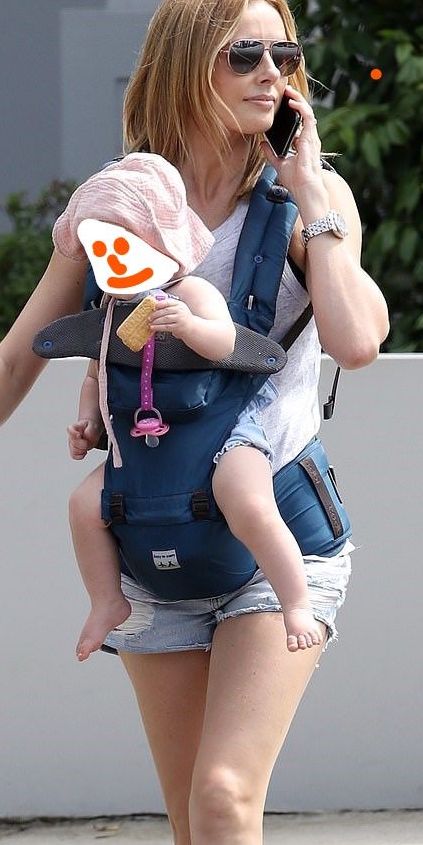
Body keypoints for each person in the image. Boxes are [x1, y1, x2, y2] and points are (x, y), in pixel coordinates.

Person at [0, 0, 389, 845]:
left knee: (224, 797)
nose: (273, 72)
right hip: (154, 534)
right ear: (184, 64)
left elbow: (357, 341)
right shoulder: (120, 207)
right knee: (191, 828)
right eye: (244, 54)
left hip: (276, 538)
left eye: (285, 54)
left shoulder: (306, 202)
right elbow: (19, 352)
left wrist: (314, 195)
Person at [60, 152, 322, 661]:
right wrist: (89, 421)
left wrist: (188, 326)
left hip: (223, 427)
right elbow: (96, 373)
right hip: (146, 442)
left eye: (124, 244)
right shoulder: (112, 310)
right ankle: (107, 600)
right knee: (82, 506)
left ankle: (295, 601)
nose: (113, 259)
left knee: (247, 498)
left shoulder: (192, 290)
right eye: (102, 249)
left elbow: (227, 344)